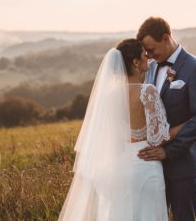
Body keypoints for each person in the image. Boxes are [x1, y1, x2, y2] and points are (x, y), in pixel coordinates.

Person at [58, 38, 185, 221]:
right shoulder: (147, 91)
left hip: (119, 169)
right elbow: (159, 138)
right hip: (145, 167)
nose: (148, 58)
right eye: (143, 55)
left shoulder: (109, 96)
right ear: (135, 62)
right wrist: (186, 124)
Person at [137, 17, 196, 221]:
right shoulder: (151, 68)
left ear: (166, 38)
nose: (149, 56)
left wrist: (168, 151)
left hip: (182, 164)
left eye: (152, 49)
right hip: (152, 167)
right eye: (146, 52)